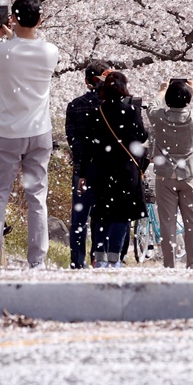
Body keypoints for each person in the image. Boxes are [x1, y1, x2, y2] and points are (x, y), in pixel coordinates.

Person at [0, 0, 58, 268]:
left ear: (12, 18)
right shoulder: (50, 51)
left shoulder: (3, 49)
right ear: (41, 20)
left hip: (8, 133)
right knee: (37, 198)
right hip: (39, 132)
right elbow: (27, 47)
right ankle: (38, 261)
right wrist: (13, 37)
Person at [81, 70, 148, 267]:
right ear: (124, 88)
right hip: (126, 170)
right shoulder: (131, 111)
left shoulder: (96, 112)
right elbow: (142, 136)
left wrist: (83, 173)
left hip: (102, 169)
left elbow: (90, 145)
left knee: (101, 214)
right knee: (121, 215)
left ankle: (99, 257)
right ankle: (114, 257)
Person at [147, 78, 193, 269]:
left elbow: (150, 107)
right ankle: (192, 263)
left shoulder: (159, 117)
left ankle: (170, 263)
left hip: (165, 176)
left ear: (168, 99)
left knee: (167, 223)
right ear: (187, 99)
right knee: (192, 221)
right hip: (190, 176)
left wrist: (161, 90)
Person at [64, 60, 107, 269]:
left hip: (81, 170)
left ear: (86, 80)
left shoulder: (75, 105)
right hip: (106, 170)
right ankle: (97, 258)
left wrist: (81, 166)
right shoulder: (111, 105)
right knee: (101, 217)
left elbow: (73, 141)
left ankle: (76, 261)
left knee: (79, 220)